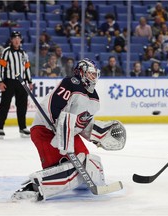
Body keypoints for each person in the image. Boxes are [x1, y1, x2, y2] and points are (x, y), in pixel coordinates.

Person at [11, 58, 126, 201]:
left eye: (95, 74)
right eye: (90, 73)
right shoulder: (71, 83)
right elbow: (54, 109)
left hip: (68, 134)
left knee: (88, 165)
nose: (94, 77)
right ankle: (33, 188)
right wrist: (64, 137)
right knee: (69, 169)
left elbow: (82, 122)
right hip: (45, 131)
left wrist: (99, 134)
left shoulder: (94, 97)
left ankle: (77, 182)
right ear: (81, 72)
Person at [0, 31, 33, 139]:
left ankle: (23, 127)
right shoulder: (6, 52)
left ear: (20, 40)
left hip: (21, 82)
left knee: (22, 106)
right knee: (5, 105)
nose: (17, 40)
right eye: (14, 38)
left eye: (18, 38)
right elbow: (0, 67)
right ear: (11, 40)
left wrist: (29, 81)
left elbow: (27, 68)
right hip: (9, 82)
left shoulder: (23, 53)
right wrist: (0, 81)